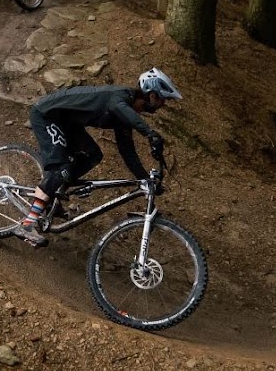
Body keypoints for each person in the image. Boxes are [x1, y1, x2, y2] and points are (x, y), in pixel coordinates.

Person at [12, 68, 182, 246]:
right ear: (152, 95)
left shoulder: (124, 115)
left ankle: (51, 196)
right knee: (62, 169)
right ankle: (27, 224)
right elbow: (119, 107)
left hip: (68, 123)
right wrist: (150, 133)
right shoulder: (121, 96)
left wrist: (144, 179)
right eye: (163, 99)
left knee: (93, 155)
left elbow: (128, 152)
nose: (163, 104)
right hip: (48, 114)